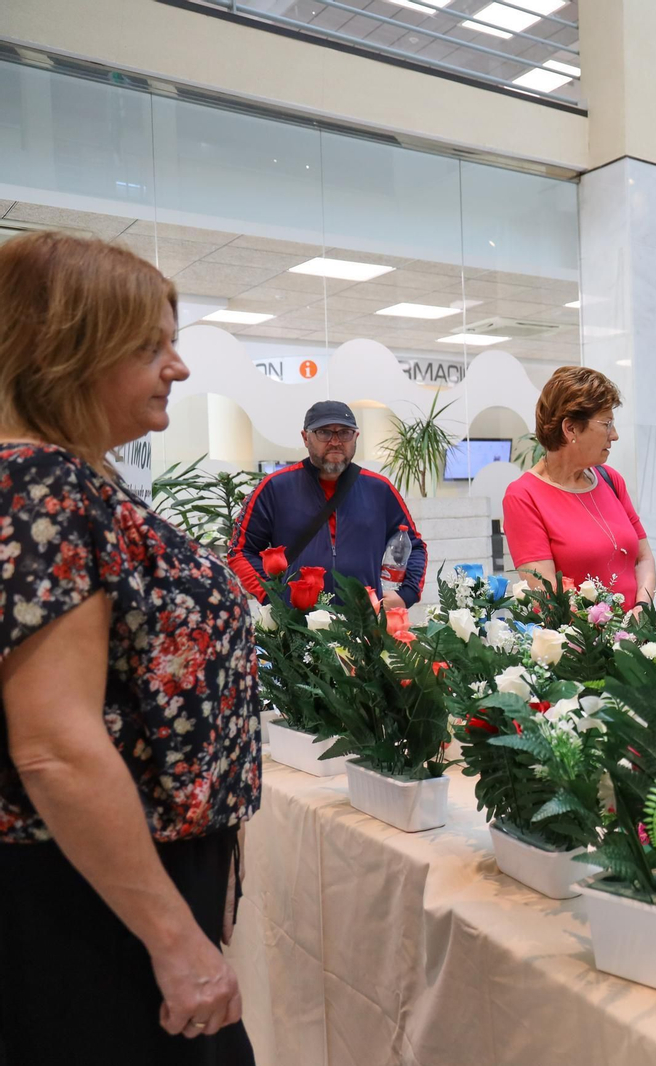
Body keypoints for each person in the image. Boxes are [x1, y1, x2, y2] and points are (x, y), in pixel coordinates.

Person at [0, 232, 257, 1062]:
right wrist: (175, 940)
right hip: (84, 905)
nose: (176, 367)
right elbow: (55, 748)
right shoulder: (41, 483)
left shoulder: (69, 479)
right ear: (67, 351)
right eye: (151, 345)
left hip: (107, 885)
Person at [229, 400, 428, 611]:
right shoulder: (275, 488)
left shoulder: (379, 489)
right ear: (305, 437)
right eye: (324, 432)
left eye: (345, 433)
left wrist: (406, 594)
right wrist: (272, 596)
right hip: (297, 627)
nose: (335, 441)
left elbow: (414, 546)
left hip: (364, 623)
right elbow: (240, 551)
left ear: (356, 438)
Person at [502, 367, 656, 609]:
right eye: (606, 423)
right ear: (570, 428)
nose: (614, 435)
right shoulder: (524, 496)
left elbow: (643, 558)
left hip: (637, 637)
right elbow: (547, 598)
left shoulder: (610, 479)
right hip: (581, 643)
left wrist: (642, 608)